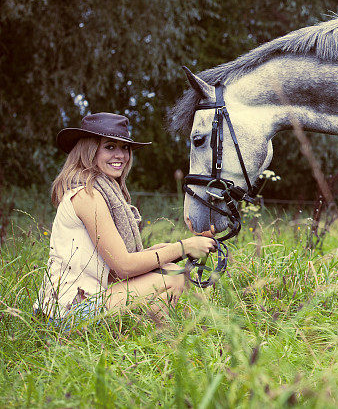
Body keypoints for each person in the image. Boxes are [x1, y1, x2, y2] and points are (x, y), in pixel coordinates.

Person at [35, 112, 216, 329]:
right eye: (110, 147)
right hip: (67, 311)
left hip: (85, 299)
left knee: (167, 268)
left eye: (125, 148)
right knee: (174, 277)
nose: (120, 155)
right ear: (89, 150)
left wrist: (172, 249)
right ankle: (156, 336)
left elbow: (114, 259)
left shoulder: (100, 190)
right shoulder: (88, 195)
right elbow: (123, 267)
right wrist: (183, 246)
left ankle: (146, 334)